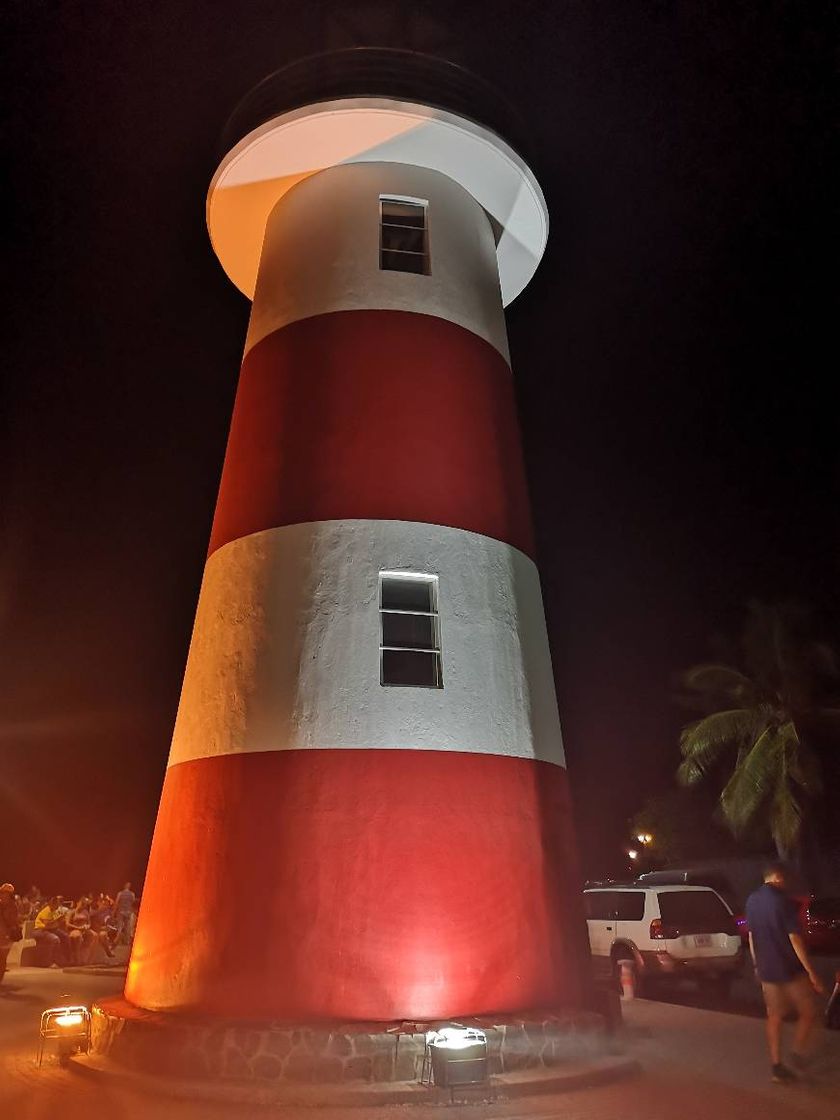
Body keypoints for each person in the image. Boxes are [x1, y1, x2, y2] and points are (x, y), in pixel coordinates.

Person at [745, 860, 825, 1082]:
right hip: (790, 970)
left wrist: (756, 964)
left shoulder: (752, 901)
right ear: (778, 877)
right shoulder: (783, 901)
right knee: (809, 1012)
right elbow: (795, 940)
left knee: (775, 1016)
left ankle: (776, 1065)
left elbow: (752, 937)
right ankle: (797, 1052)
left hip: (767, 971)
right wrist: (811, 973)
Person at [67, 895, 115, 964]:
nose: (83, 906)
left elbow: (89, 923)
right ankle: (77, 958)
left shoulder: (85, 912)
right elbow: (67, 924)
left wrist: (87, 926)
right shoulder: (72, 912)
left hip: (85, 929)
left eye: (84, 904)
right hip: (76, 928)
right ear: (77, 903)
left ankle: (89, 959)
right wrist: (78, 927)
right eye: (82, 904)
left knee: (95, 936)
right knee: (77, 936)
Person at [33, 895, 71, 968]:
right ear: (52, 903)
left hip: (50, 929)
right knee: (55, 939)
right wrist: (57, 921)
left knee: (66, 937)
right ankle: (49, 962)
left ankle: (66, 960)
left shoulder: (54, 911)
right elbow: (47, 925)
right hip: (40, 930)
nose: (58, 905)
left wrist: (60, 920)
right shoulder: (47, 911)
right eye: (57, 903)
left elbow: (55, 923)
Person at [0, 883, 23, 987]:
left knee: (2, 959)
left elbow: (13, 921)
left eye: (5, 893)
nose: (2, 894)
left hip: (6, 936)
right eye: (2, 892)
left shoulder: (13, 906)